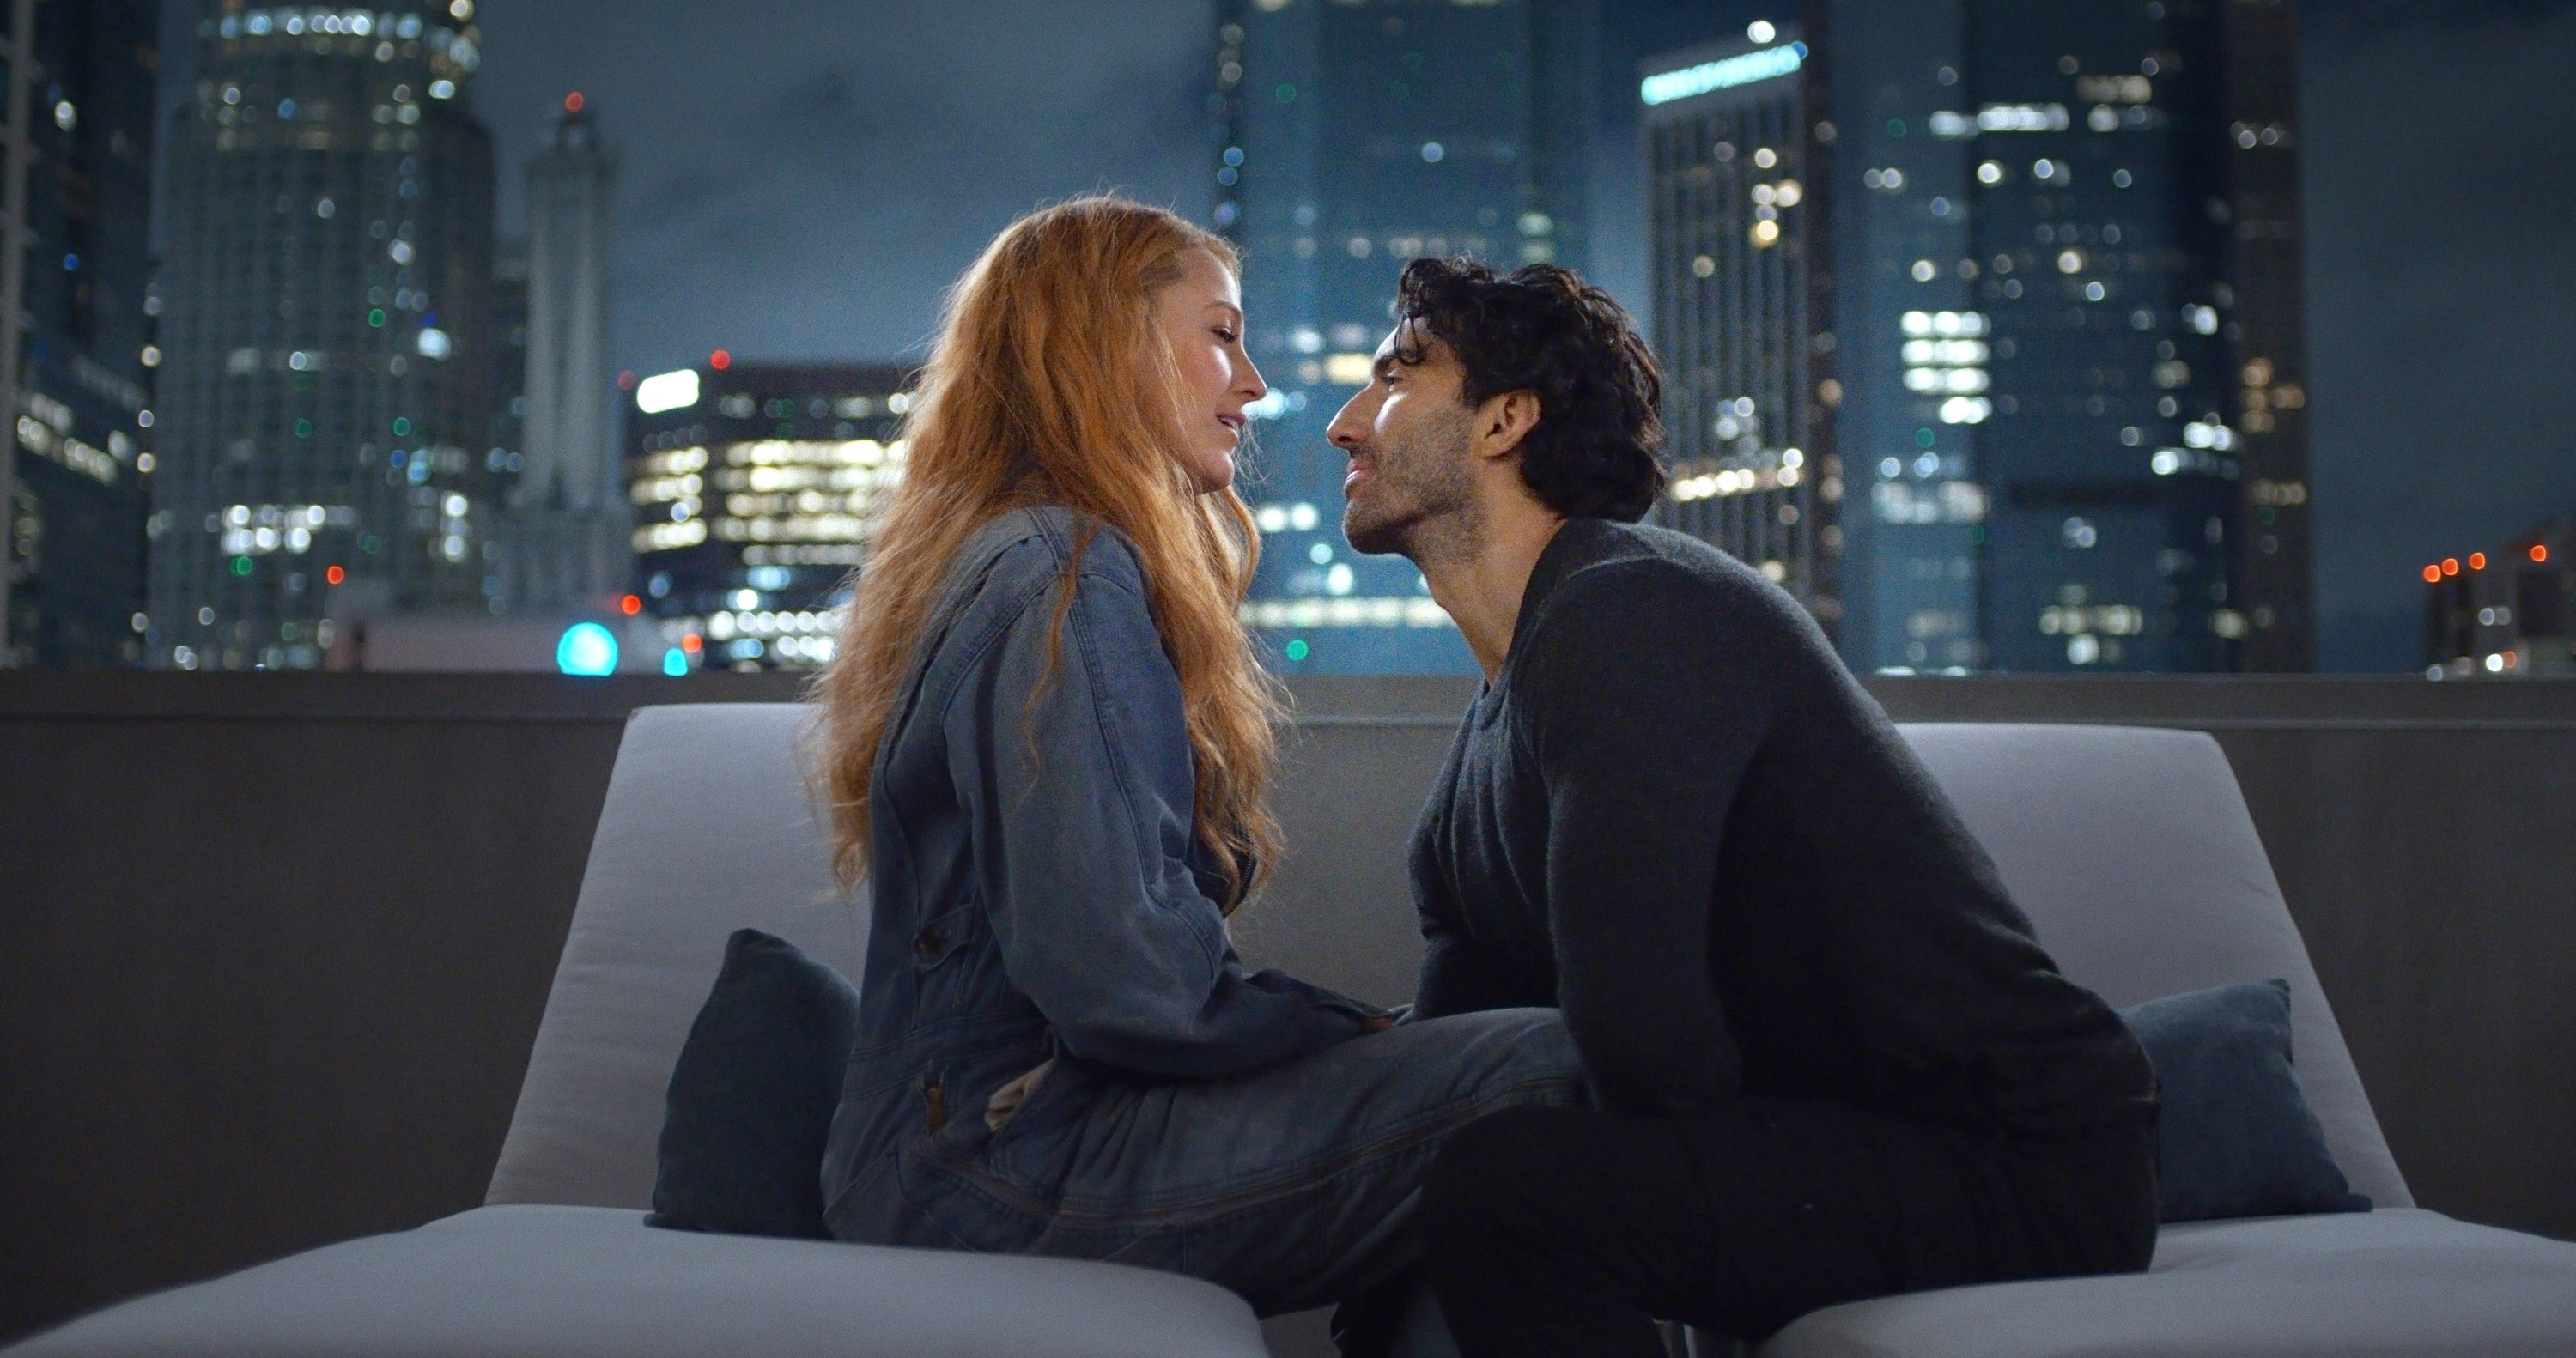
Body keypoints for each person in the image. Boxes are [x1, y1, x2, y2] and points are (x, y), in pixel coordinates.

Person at [1323, 258, 2160, 1357]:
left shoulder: (1634, 613)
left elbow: (1641, 1033)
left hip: (2016, 1157)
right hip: (1835, 1142)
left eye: (1396, 374)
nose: (1345, 422)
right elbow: (1451, 1069)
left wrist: (1682, 1203)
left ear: (1504, 421)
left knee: (1513, 1193)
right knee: (1442, 1204)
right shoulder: (1477, 767)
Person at [808, 198, 1583, 1325]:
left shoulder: (1020, 554)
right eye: (1220, 333)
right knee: (1551, 1069)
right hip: (999, 1168)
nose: (1255, 381)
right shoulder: (1063, 571)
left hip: (959, 1153)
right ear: (1107, 344)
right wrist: (1352, 1031)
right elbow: (1127, 980)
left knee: (1464, 1148)